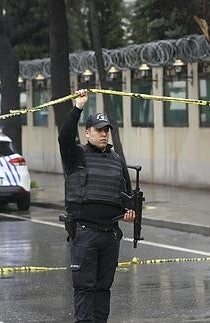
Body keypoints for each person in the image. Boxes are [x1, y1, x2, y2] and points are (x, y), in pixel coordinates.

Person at [58, 89, 136, 323]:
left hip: (110, 235)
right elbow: (63, 138)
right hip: (85, 233)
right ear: (87, 132)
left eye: (106, 130)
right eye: (99, 130)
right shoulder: (76, 155)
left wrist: (129, 213)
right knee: (84, 288)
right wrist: (78, 107)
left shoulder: (116, 160)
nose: (104, 134)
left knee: (104, 288)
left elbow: (126, 195)